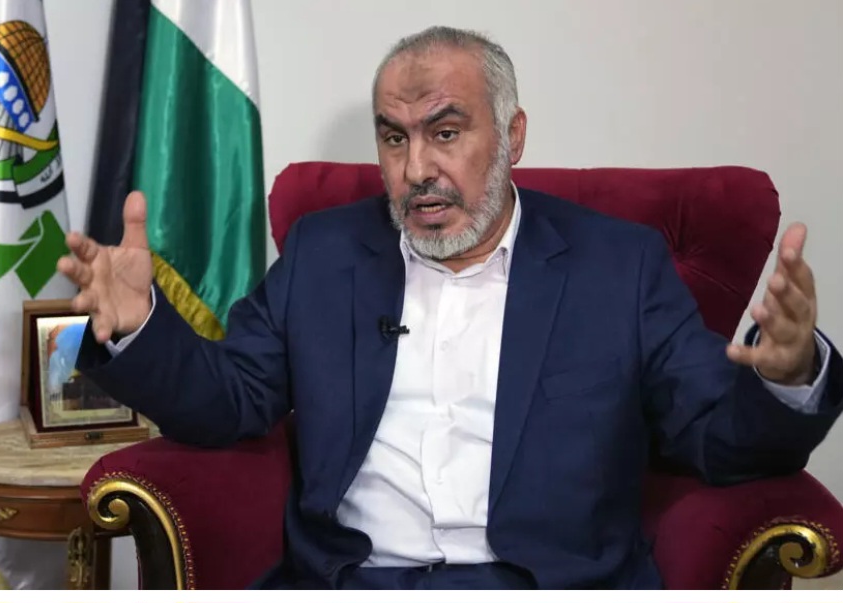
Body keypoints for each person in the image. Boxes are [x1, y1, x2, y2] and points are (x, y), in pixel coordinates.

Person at [57, 26, 842, 589]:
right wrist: (141, 327)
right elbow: (231, 398)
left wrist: (789, 374)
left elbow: (712, 432)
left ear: (512, 136)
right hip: (351, 578)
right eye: (394, 139)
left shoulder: (617, 267)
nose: (416, 170)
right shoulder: (327, 254)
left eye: (445, 132)